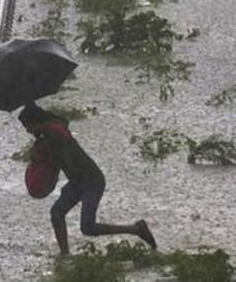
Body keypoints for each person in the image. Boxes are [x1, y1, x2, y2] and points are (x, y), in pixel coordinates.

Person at [17, 103, 158, 255]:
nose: (28, 131)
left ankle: (136, 229)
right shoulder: (48, 137)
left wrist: (47, 150)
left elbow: (61, 138)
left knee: (87, 227)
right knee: (56, 213)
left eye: (28, 126)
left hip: (92, 181)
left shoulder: (55, 132)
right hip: (77, 182)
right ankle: (65, 254)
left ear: (36, 122)